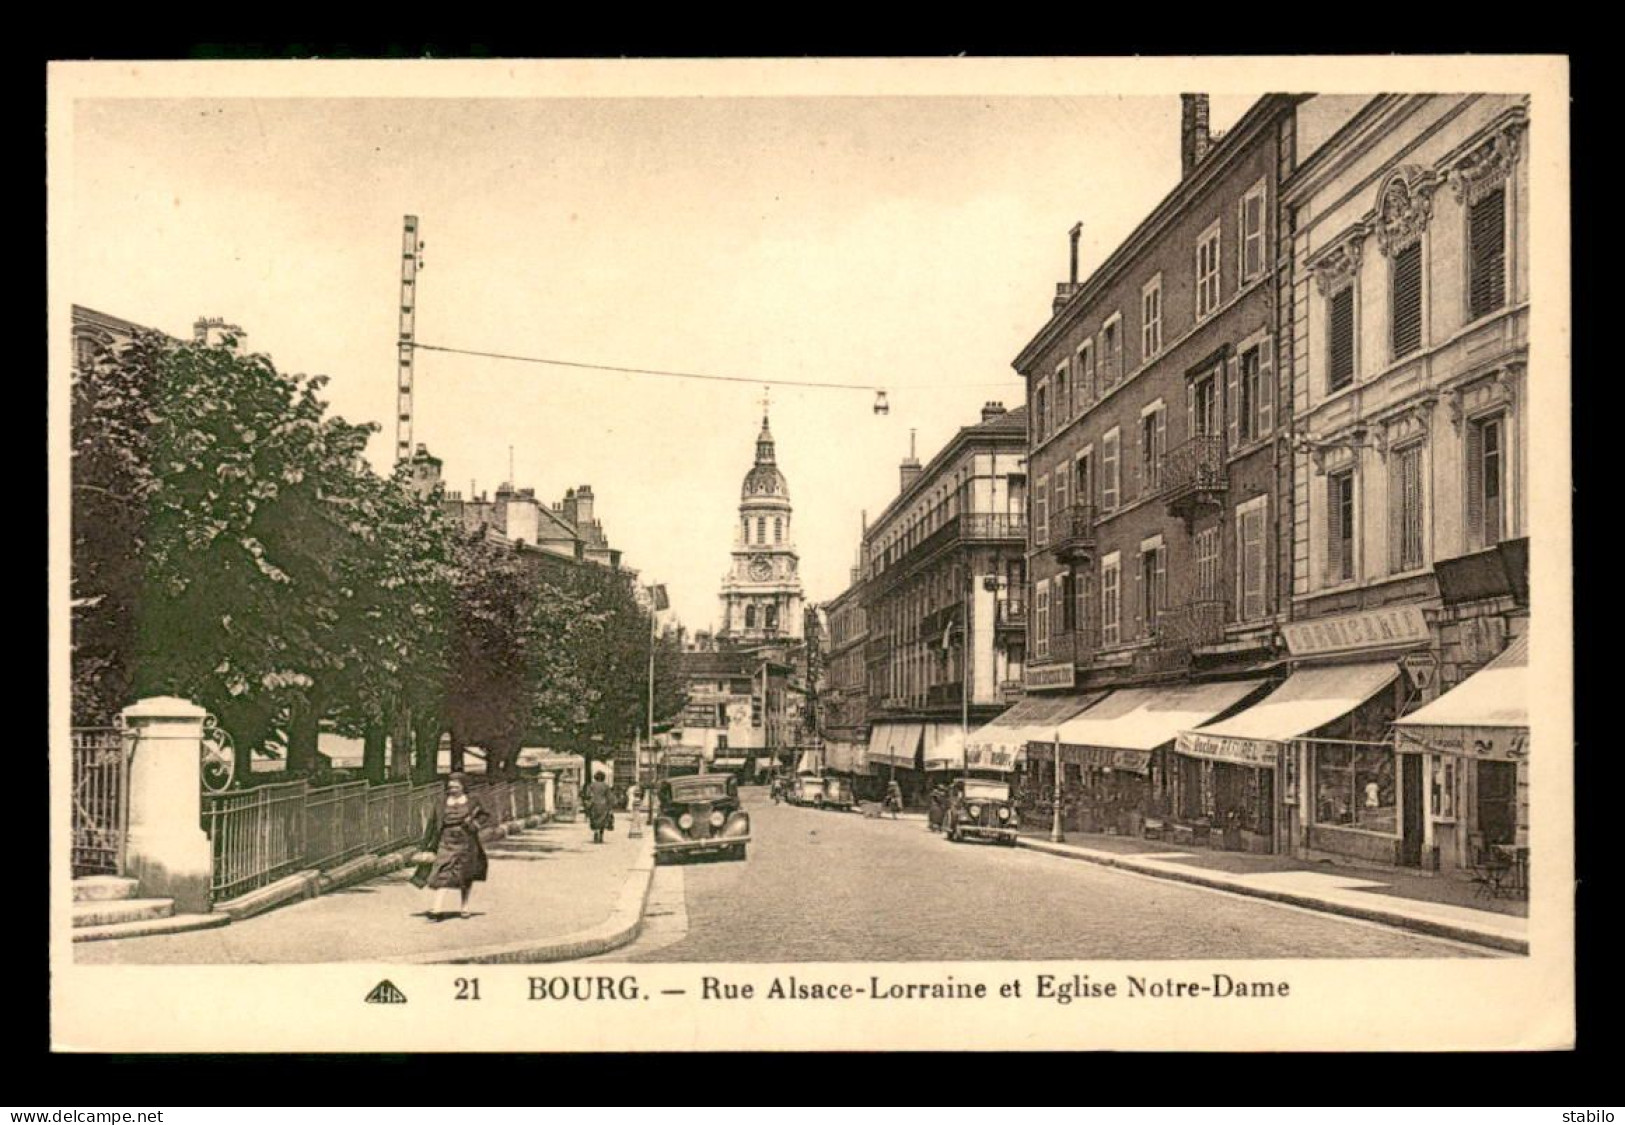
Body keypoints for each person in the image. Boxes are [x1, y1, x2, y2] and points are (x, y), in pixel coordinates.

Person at [412, 773, 491, 921]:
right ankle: (437, 908)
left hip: (467, 841)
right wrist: (424, 845)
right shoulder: (441, 801)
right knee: (443, 872)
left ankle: (465, 907)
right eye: (450, 785)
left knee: (465, 875)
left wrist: (474, 824)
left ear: (463, 786)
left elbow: (485, 815)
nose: (452, 788)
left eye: (456, 786)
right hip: (445, 840)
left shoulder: (473, 800)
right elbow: (432, 824)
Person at [584, 774, 615, 844]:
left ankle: (595, 832)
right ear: (603, 777)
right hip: (603, 805)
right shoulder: (606, 786)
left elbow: (587, 794)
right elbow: (610, 797)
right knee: (602, 820)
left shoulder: (591, 785)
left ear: (595, 777)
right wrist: (611, 806)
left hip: (594, 804)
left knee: (594, 819)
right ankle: (601, 836)